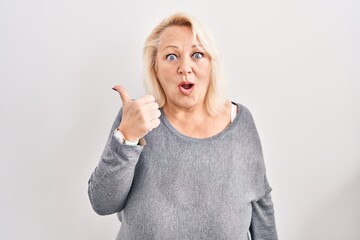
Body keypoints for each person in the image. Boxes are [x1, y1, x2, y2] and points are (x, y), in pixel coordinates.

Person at [88, 13, 278, 240]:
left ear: (211, 64)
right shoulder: (138, 120)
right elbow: (102, 203)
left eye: (197, 55)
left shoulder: (240, 122)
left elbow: (260, 207)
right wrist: (126, 138)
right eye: (171, 57)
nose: (185, 67)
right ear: (155, 68)